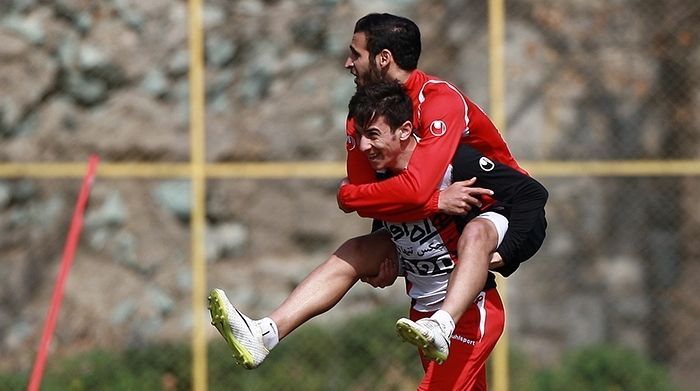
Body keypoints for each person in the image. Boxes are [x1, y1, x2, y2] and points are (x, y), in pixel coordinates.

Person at [209, 81, 547, 390]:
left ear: (404, 131)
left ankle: (444, 322)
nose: (364, 146)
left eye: (373, 134)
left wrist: (507, 252)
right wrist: (385, 262)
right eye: (359, 136)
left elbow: (531, 193)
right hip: (422, 317)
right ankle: (265, 333)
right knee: (358, 250)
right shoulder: (381, 178)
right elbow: (399, 219)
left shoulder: (455, 163)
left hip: (469, 316)